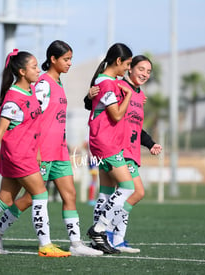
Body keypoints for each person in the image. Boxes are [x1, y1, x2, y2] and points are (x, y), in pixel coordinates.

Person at [0, 40, 103, 256]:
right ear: (53, 59)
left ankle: (76, 245)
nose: (69, 63)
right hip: (42, 152)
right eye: (66, 59)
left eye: (71, 59)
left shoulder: (58, 83)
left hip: (60, 151)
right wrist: (31, 148)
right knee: (29, 198)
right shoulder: (43, 84)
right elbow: (30, 116)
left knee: (70, 195)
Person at [0, 49, 71, 258]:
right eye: (34, 67)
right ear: (22, 71)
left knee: (4, 201)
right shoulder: (13, 99)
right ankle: (45, 245)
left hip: (25, 154)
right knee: (40, 193)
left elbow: (33, 127)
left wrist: (37, 151)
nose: (38, 70)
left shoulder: (31, 91)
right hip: (17, 156)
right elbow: (0, 131)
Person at [85, 55, 162, 253]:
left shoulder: (138, 94)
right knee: (134, 191)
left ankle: (113, 239)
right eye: (140, 69)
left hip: (124, 148)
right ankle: (105, 231)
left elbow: (135, 126)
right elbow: (97, 104)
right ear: (129, 68)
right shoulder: (118, 85)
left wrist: (150, 143)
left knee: (107, 193)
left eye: (148, 71)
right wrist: (89, 95)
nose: (144, 74)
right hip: (116, 148)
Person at [85, 42, 136, 254]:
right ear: (118, 61)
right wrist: (130, 96)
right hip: (105, 143)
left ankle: (99, 238)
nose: (129, 69)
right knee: (127, 187)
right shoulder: (106, 83)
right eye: (128, 64)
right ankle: (99, 229)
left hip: (105, 142)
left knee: (106, 192)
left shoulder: (109, 81)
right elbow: (115, 114)